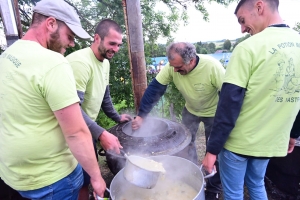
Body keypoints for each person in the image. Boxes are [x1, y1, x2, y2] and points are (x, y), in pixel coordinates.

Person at [0, 0, 107, 199]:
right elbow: (76, 132)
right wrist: (96, 176)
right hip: (52, 180)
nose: (72, 43)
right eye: (70, 36)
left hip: (12, 176)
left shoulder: (7, 56)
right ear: (50, 24)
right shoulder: (53, 63)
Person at [202, 0, 300, 199]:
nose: (242, 29)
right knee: (256, 185)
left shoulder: (248, 48)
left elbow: (228, 105)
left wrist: (212, 150)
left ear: (259, 6)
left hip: (238, 143)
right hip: (271, 141)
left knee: (233, 192)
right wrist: (293, 133)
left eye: (242, 20)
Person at [132, 42, 225, 199]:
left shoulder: (213, 67)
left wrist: (222, 128)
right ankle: (190, 174)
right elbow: (155, 89)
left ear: (191, 60)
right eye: (172, 66)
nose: (174, 70)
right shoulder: (171, 67)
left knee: (214, 151)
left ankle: (213, 187)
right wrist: (142, 115)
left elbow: (228, 97)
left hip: (214, 113)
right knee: (187, 143)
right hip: (190, 110)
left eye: (178, 67)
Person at [66, 19, 132, 200]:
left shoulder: (105, 62)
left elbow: (105, 96)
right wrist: (101, 134)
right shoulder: (80, 63)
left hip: (86, 131)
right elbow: (72, 110)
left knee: (87, 178)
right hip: (69, 135)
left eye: (119, 45)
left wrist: (117, 117)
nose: (116, 49)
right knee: (75, 181)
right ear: (97, 38)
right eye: (112, 43)